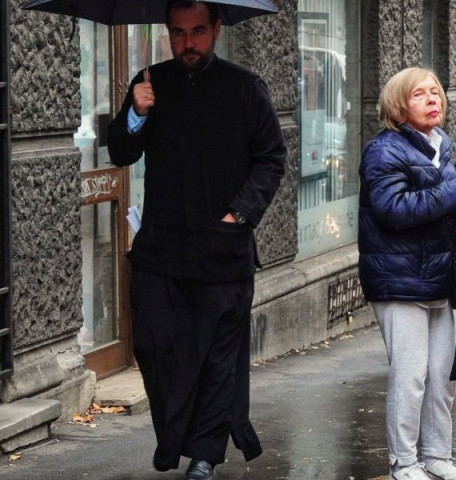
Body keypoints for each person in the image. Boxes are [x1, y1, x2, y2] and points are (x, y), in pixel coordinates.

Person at [106, 2, 286, 479]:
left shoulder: (245, 88)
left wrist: (237, 215)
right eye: (179, 33)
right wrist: (136, 113)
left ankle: (204, 455)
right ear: (168, 33)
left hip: (222, 250)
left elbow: (271, 158)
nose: (188, 43)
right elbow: (121, 151)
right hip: (161, 250)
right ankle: (173, 440)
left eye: (198, 32)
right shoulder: (150, 83)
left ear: (217, 30)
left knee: (216, 359)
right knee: (151, 344)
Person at [358, 67, 456, 480]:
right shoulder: (384, 150)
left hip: (439, 275)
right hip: (398, 279)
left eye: (436, 92)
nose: (433, 99)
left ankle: (437, 457)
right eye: (420, 94)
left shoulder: (441, 145)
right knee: (410, 377)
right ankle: (404, 462)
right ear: (399, 105)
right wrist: (455, 192)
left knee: (442, 377)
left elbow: (438, 205)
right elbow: (394, 211)